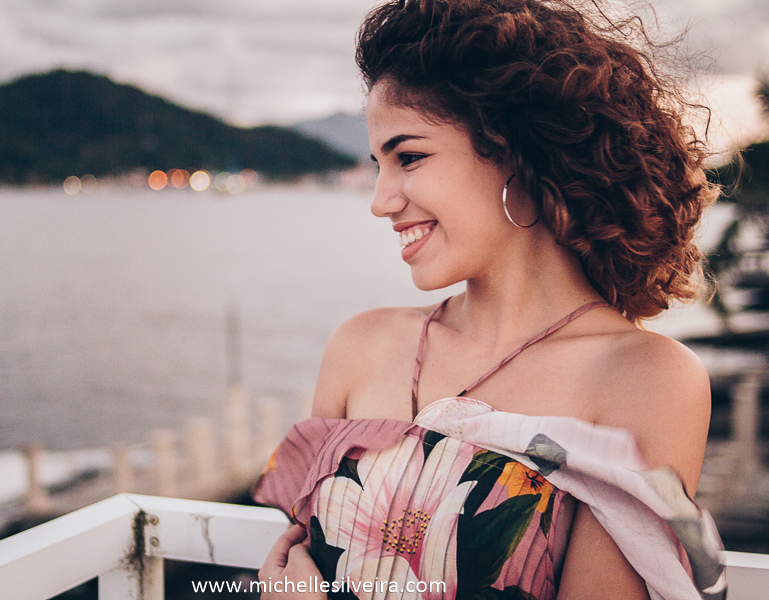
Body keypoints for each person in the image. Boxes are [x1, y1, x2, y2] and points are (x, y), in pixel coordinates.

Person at [254, 1, 726, 598]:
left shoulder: (645, 380)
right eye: (378, 165)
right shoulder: (361, 346)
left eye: (410, 157)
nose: (380, 200)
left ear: (516, 153)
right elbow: (293, 562)